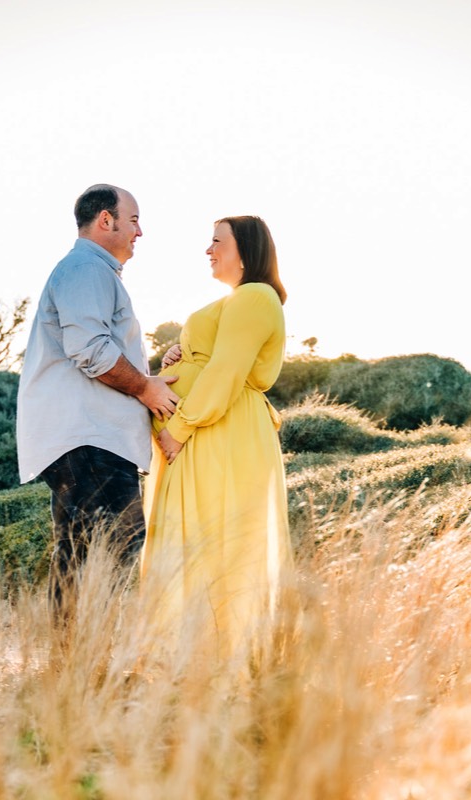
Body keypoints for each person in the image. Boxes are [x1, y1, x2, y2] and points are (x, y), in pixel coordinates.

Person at [16, 184, 179, 623]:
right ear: (106, 220)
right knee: (111, 546)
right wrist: (145, 388)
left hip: (86, 438)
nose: (140, 232)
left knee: (81, 553)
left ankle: (76, 656)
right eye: (134, 220)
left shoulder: (89, 271)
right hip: (90, 439)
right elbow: (90, 349)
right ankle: (84, 653)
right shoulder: (87, 269)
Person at [141, 215, 292, 652]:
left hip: (219, 431)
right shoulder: (236, 301)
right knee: (192, 538)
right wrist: (182, 355)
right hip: (206, 431)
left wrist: (179, 427)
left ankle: (219, 655)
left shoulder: (256, 296)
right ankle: (187, 654)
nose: (208, 250)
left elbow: (226, 370)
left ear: (245, 251)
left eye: (217, 242)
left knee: (215, 538)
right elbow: (215, 358)